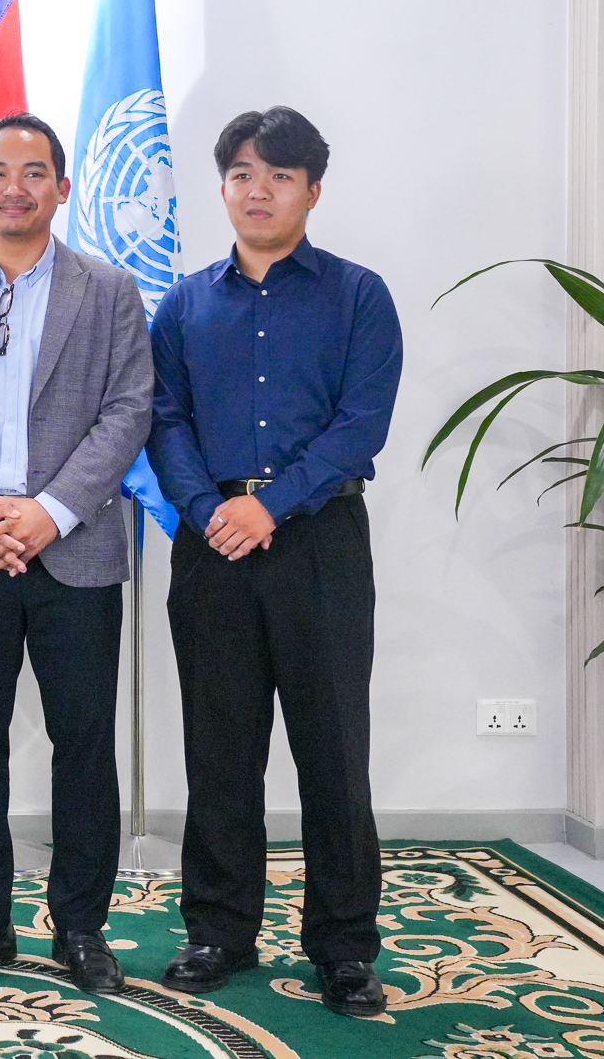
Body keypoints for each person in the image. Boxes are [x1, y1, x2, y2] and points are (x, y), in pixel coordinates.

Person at [147, 107, 402, 1018]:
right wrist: (213, 509)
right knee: (220, 747)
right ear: (222, 187)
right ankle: (219, 928)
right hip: (212, 542)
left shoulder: (358, 295)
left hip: (320, 540)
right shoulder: (182, 304)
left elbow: (360, 424)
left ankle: (343, 946)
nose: (260, 190)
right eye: (244, 174)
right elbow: (164, 420)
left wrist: (271, 504)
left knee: (334, 749)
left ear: (313, 191)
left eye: (281, 176)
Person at [0, 114, 153, 993]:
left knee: (83, 742)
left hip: (74, 552)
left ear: (62, 187)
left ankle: (80, 924)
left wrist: (49, 512)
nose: (16, 185)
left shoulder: (110, 290)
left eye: (35, 171)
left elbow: (129, 409)